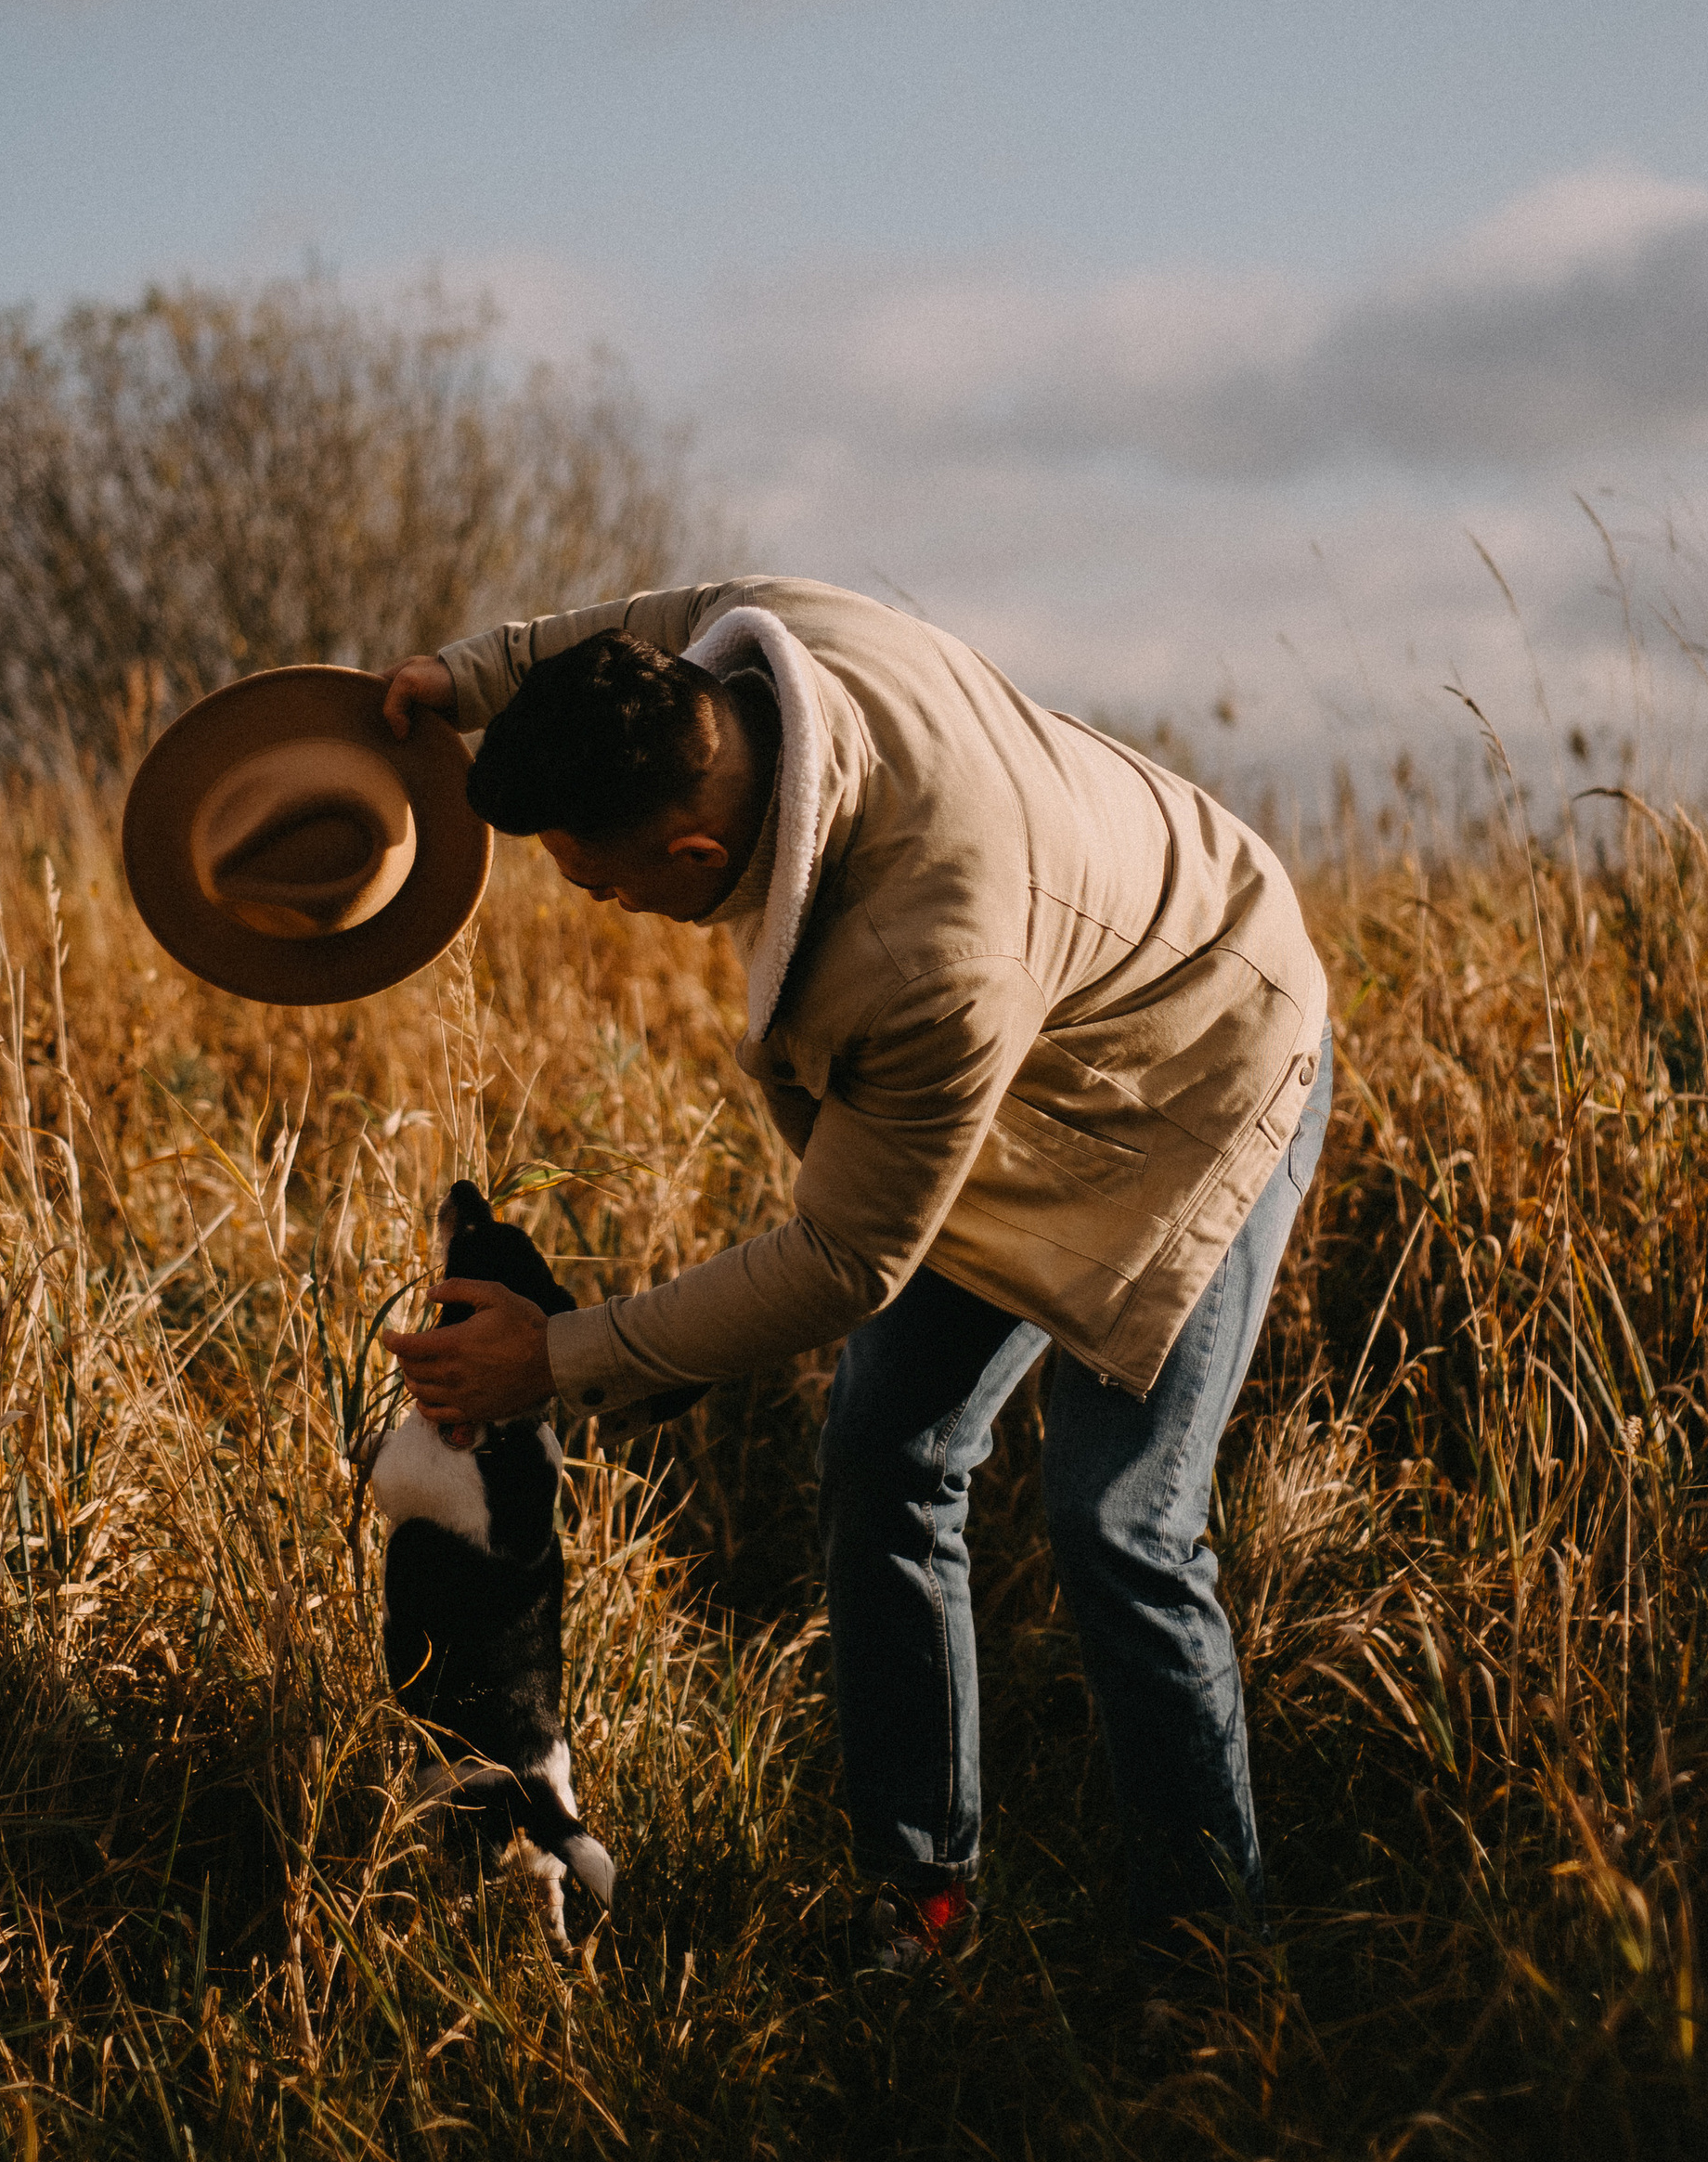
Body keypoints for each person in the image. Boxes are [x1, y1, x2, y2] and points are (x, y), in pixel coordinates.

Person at [380, 576, 1329, 1980]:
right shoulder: (761, 640)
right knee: (887, 1447)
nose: (608, 909)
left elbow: (845, 1259)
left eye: (605, 883)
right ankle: (925, 1901)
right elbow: (632, 622)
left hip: (1200, 1055)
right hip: (1035, 1025)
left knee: (1119, 1517)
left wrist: (559, 1356)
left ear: (697, 850)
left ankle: (1211, 1972)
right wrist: (461, 677)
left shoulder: (920, 957)